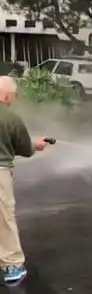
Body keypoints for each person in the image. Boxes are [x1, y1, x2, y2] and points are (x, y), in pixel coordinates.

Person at [0, 76, 49, 283]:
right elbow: (25, 149)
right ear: (4, 95)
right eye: (14, 95)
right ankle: (13, 266)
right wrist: (36, 145)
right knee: (4, 219)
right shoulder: (10, 117)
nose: (15, 98)